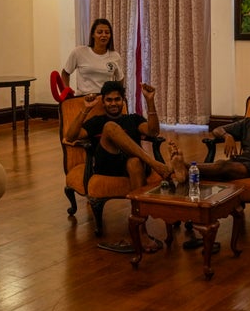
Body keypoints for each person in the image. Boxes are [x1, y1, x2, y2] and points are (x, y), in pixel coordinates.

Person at [65, 81, 172, 252]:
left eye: (117, 99)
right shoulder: (97, 121)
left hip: (131, 165)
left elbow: (153, 132)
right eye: (109, 100)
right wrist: (86, 108)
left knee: (135, 162)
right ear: (103, 102)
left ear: (123, 100)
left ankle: (141, 231)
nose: (113, 103)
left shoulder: (133, 119)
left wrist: (150, 100)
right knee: (110, 127)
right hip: (108, 164)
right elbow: (70, 137)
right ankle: (154, 163)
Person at [170, 86, 250, 183]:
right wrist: (227, 136)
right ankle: (180, 173)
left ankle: (185, 166)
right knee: (220, 172)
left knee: (222, 165)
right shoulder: (249, 123)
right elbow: (217, 130)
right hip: (242, 162)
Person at [61, 18, 124, 96]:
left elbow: (120, 79)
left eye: (107, 32)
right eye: (99, 32)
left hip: (105, 101)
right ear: (93, 34)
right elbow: (65, 73)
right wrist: (66, 91)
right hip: (83, 98)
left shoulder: (115, 56)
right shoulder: (79, 52)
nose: (104, 35)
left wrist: (118, 96)